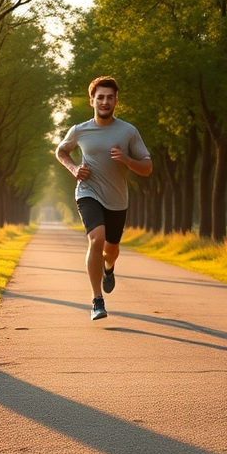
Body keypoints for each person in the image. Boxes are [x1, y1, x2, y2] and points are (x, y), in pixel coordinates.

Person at [56, 76, 153, 320]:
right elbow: (61, 151)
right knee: (96, 239)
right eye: (100, 97)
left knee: (111, 250)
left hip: (117, 199)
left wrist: (127, 160)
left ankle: (108, 268)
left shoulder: (128, 131)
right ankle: (97, 300)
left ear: (116, 100)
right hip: (88, 192)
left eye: (110, 97)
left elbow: (147, 167)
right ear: (92, 101)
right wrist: (74, 169)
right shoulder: (80, 130)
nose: (105, 101)